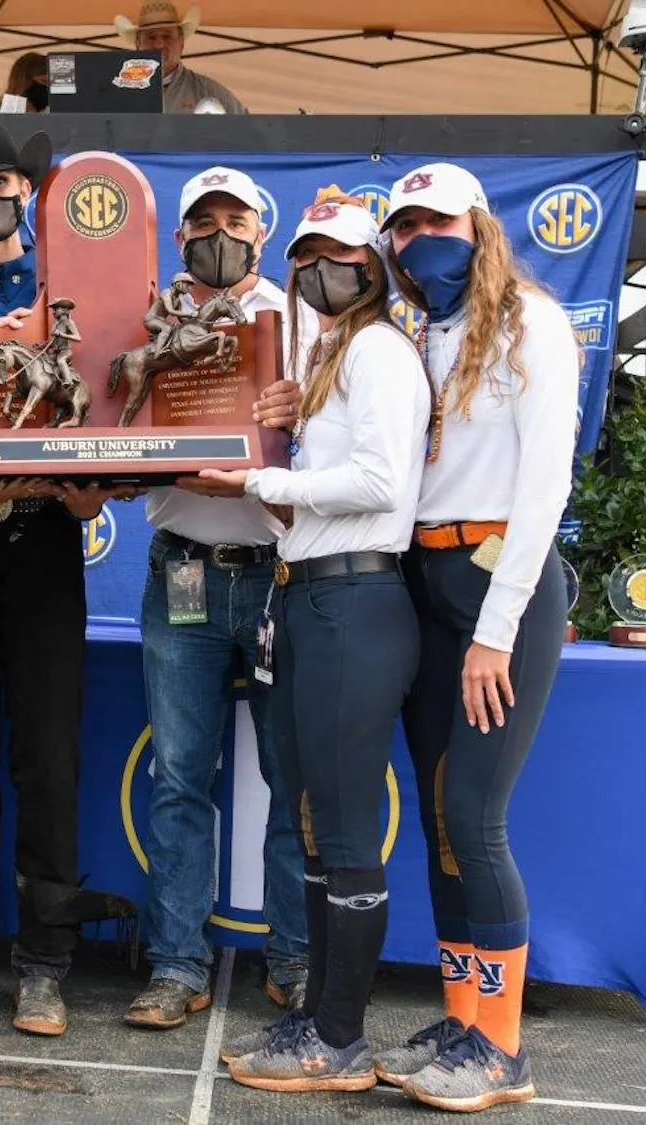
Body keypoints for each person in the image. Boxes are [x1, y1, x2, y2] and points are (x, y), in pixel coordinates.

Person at [0, 117, 140, 1037]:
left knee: (48, 754)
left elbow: (115, 401)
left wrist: (94, 485)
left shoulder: (69, 285)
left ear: (28, 194)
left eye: (0, 183)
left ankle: (45, 962)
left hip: (44, 538)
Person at [193, 191, 429, 1092]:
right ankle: (320, 1020)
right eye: (306, 253)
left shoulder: (377, 349)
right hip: (309, 598)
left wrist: (260, 471)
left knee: (344, 829)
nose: (320, 267)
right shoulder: (332, 353)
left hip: (355, 601)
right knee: (318, 825)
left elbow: (376, 480)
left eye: (338, 252)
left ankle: (340, 1036)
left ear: (371, 264)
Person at [372, 162, 575, 1113]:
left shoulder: (534, 322)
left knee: (478, 818)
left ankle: (504, 1049)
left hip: (504, 590)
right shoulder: (422, 335)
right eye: (404, 230)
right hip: (426, 578)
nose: (421, 243)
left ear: (479, 224)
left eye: (436, 223)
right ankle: (464, 1023)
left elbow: (542, 495)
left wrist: (495, 636)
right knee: (443, 821)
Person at [124, 166, 310, 1031]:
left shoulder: (303, 317)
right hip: (185, 569)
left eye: (235, 220)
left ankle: (297, 957)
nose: (219, 234)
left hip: (279, 568)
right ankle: (175, 963)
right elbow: (113, 423)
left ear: (260, 235)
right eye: (204, 221)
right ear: (180, 235)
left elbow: (343, 435)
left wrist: (298, 409)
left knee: (291, 776)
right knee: (180, 778)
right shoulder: (146, 317)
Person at [113, 2, 247, 115]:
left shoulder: (208, 92)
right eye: (151, 37)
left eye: (167, 36)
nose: (159, 44)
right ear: (138, 45)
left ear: (181, 43)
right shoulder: (118, 92)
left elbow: (251, 132)